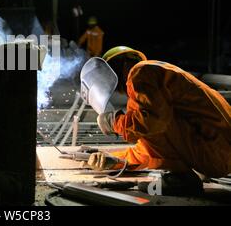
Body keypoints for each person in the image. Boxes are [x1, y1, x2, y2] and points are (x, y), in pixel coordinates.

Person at [80, 46, 231, 185]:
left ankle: (184, 180)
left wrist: (114, 122)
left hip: (216, 150)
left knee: (149, 124)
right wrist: (116, 160)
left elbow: (152, 122)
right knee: (147, 125)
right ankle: (184, 178)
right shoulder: (156, 76)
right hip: (218, 151)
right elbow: (150, 148)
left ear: (117, 67)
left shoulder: (140, 71)